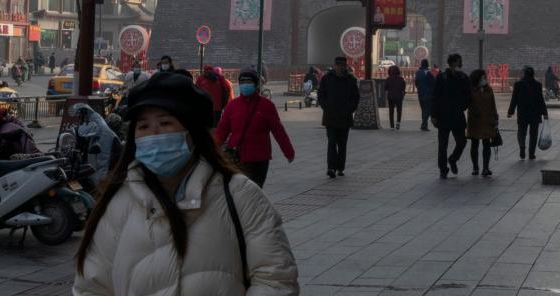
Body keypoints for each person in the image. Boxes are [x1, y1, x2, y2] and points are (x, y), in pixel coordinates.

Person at [72, 72, 299, 295]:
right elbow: (92, 286)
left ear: (193, 133)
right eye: (143, 127)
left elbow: (276, 277)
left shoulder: (241, 195)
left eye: (165, 122)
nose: (154, 134)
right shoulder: (119, 201)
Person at [214, 69, 295, 188]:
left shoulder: (266, 105)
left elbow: (278, 131)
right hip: (237, 157)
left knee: (255, 190)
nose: (245, 85)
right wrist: (212, 149)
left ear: (256, 85)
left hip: (259, 158)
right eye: (242, 82)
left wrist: (288, 152)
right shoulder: (233, 106)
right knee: (237, 191)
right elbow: (222, 130)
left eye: (249, 82)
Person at [317, 56, 360, 178]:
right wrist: (326, 106)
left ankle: (340, 167)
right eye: (338, 65)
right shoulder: (327, 78)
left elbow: (355, 97)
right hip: (330, 116)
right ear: (334, 66)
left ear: (345, 66)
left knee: (342, 144)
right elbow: (321, 94)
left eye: (342, 65)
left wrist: (350, 109)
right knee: (331, 142)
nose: (340, 68)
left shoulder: (351, 80)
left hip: (344, 117)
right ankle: (331, 167)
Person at [432, 53, 471, 179]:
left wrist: (463, 106)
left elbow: (468, 94)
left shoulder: (464, 77)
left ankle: (453, 159)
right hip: (443, 116)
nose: (460, 64)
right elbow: (435, 97)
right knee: (442, 145)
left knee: (462, 141)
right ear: (452, 63)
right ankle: (443, 169)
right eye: (458, 62)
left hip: (457, 116)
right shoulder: (442, 77)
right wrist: (433, 115)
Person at [508, 66, 549, 160]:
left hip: (522, 113)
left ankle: (522, 147)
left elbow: (514, 99)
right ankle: (531, 154)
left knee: (521, 132)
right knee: (533, 134)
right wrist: (545, 113)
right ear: (533, 74)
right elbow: (540, 100)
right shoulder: (537, 84)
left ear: (524, 74)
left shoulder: (518, 84)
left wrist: (511, 111)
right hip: (535, 113)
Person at [467, 69, 498, 176]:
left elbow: (493, 105)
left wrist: (495, 118)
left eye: (485, 78)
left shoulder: (488, 90)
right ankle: (475, 167)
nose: (484, 80)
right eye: (482, 78)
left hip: (487, 120)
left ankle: (485, 168)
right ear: (477, 79)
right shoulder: (471, 90)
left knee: (486, 144)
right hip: (474, 121)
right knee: (474, 144)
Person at [414, 59, 435, 131]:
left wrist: (420, 89)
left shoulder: (418, 72)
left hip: (420, 94)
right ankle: (424, 124)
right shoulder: (428, 73)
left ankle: (424, 125)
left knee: (423, 110)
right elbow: (433, 83)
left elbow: (416, 82)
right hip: (428, 94)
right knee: (428, 110)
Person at [384, 65, 406, 130]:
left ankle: (391, 126)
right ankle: (398, 123)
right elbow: (403, 88)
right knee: (399, 110)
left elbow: (385, 88)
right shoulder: (401, 79)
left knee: (391, 111)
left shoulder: (388, 79)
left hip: (390, 97)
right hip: (399, 96)